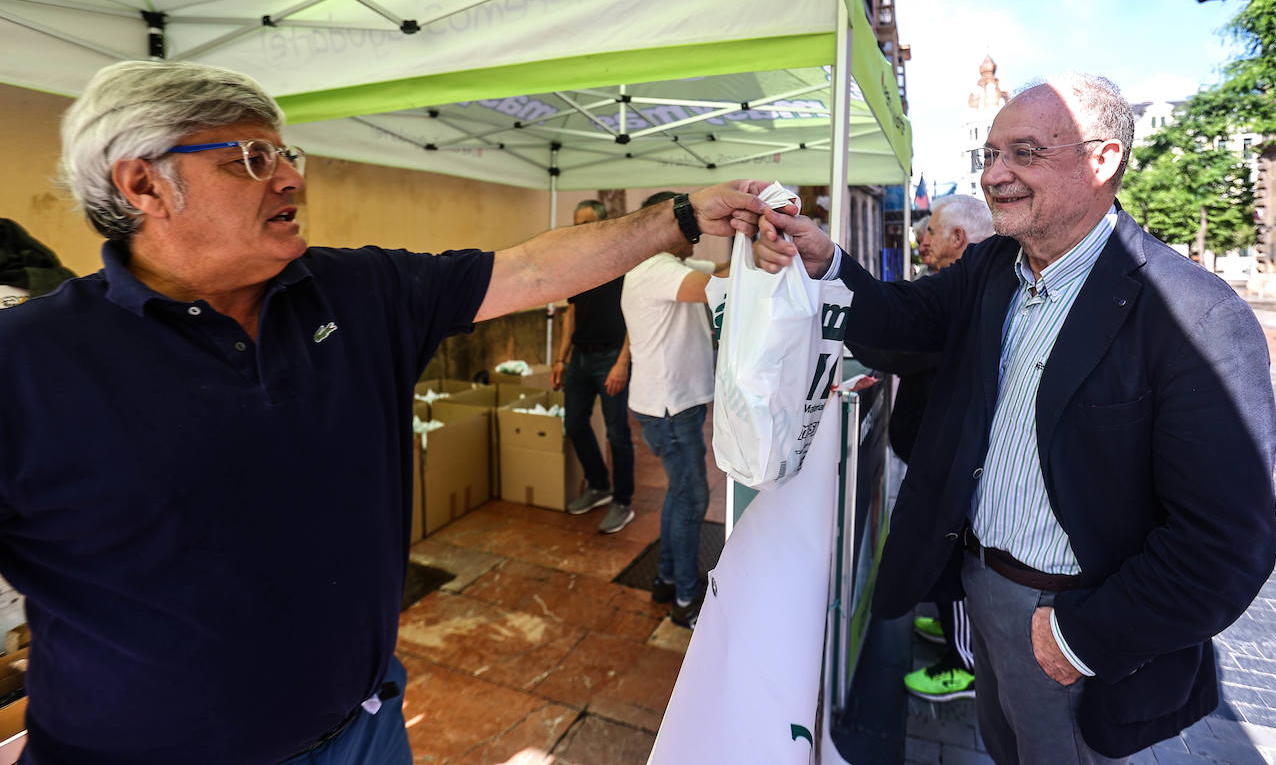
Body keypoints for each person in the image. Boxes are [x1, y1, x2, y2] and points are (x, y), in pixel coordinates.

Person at [0, 60, 776, 765]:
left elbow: (530, 269)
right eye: (253, 160)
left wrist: (678, 217)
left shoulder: (353, 292)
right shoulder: (27, 360)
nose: (291, 181)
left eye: (287, 157)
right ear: (143, 187)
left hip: (362, 731)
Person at [755, 73, 1276, 763]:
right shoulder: (994, 265)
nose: (995, 175)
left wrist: (1081, 636)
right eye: (991, 155)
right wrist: (826, 262)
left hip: (1075, 618)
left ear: (1103, 160)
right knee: (1004, 749)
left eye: (1024, 153)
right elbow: (901, 327)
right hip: (979, 586)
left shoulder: (1196, 317)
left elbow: (1226, 544)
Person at [853, 193, 992, 703]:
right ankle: (958, 633)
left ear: (959, 239)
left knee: (949, 555)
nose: (921, 239)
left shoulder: (964, 294)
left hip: (951, 459)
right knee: (947, 556)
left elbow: (905, 340)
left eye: (930, 231)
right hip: (942, 451)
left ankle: (966, 662)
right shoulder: (971, 287)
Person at [620, 191, 727, 630]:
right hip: (669, 408)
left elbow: (718, 272)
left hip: (672, 405)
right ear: (666, 228)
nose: (697, 235)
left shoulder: (671, 266)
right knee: (692, 499)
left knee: (679, 494)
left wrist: (745, 243)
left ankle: (665, 578)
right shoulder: (655, 270)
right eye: (690, 226)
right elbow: (713, 288)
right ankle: (686, 599)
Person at [552, 199, 636, 535]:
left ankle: (623, 501)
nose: (581, 229)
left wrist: (621, 362)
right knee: (573, 424)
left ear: (602, 223)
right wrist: (561, 358)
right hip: (580, 359)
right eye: (577, 223)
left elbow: (636, 313)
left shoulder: (623, 262)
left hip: (610, 357)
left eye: (587, 222)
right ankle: (599, 485)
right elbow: (570, 315)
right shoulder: (575, 265)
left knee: (617, 433)